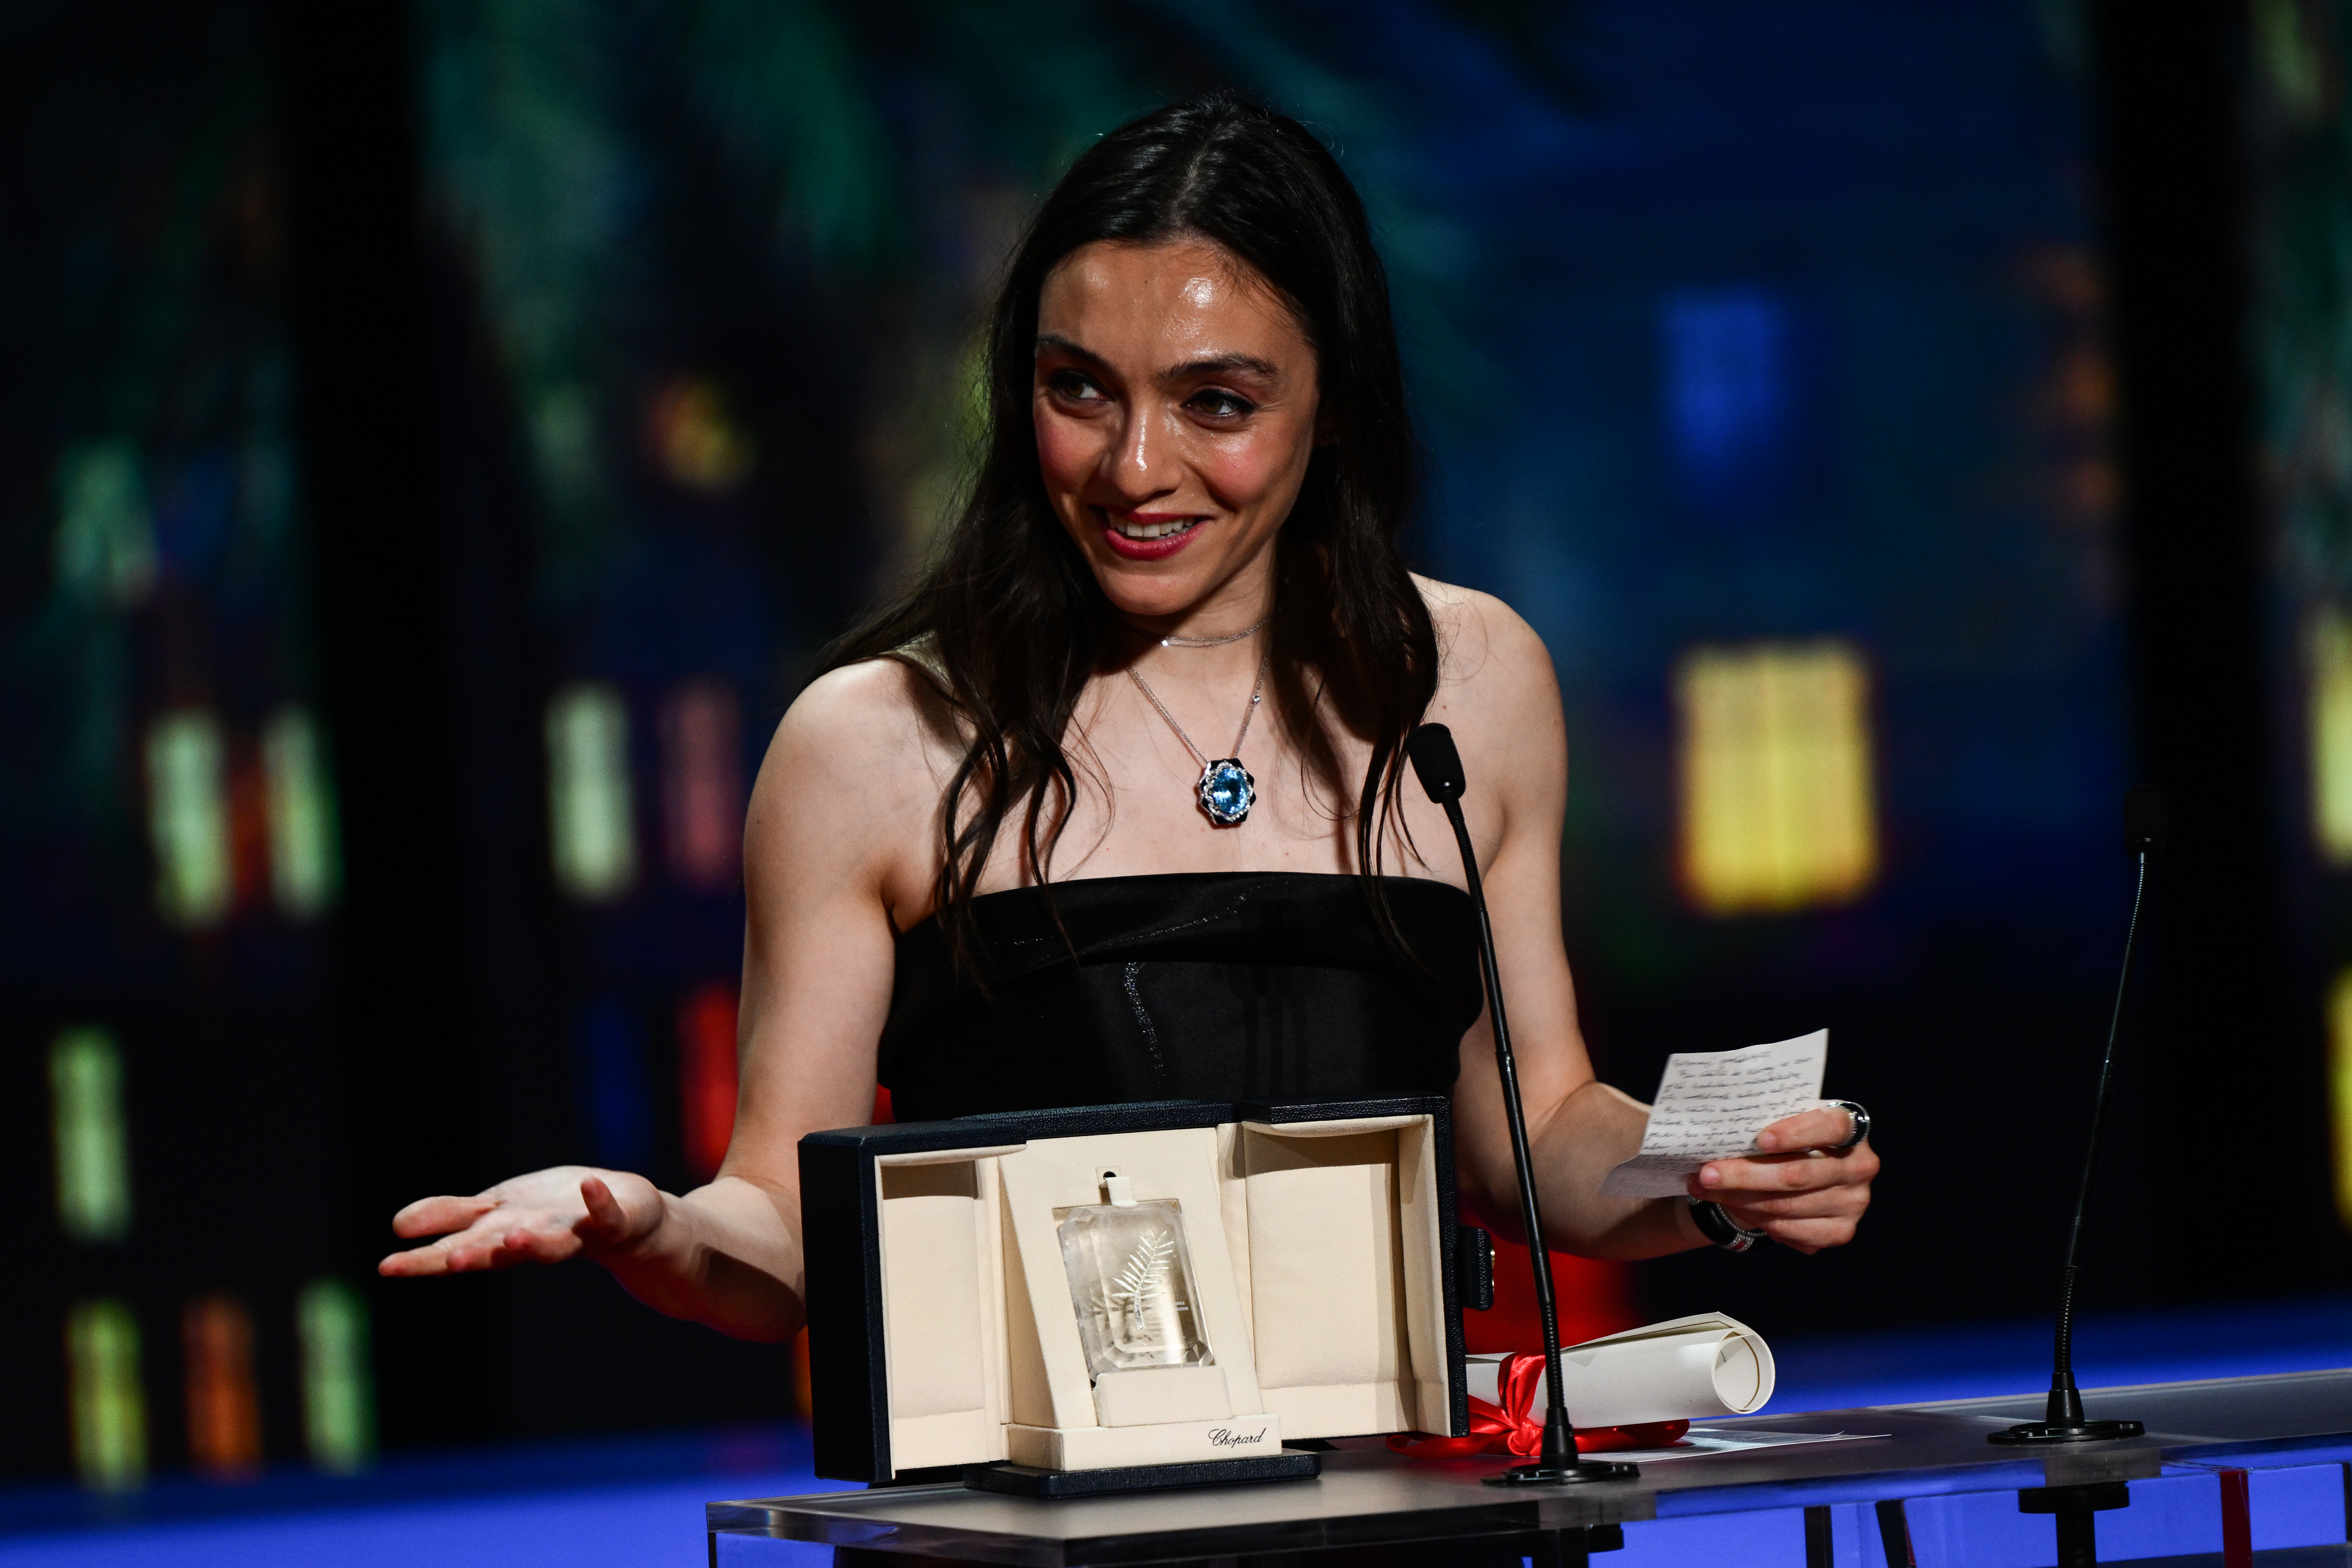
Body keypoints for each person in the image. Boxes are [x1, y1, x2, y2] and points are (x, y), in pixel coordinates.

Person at [380, 94, 1877, 1347]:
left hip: (1410, 1516)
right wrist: (645, 1221)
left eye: (1216, 403)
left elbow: (1529, 1130)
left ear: (1335, 402)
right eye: (1078, 390)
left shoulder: (1469, 678)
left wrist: (1711, 1172)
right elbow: (789, 1225)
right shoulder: (876, 740)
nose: (1135, 467)